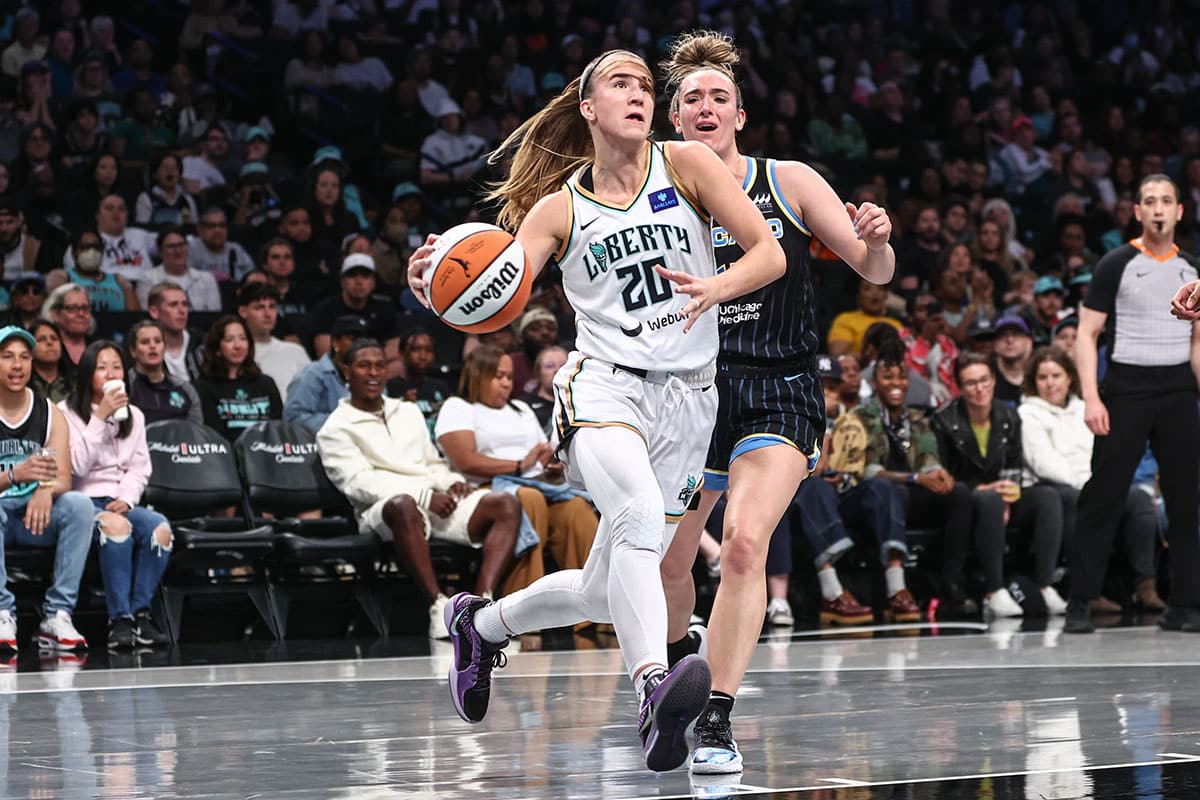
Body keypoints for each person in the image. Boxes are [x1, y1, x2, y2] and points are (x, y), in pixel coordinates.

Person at [407, 47, 784, 771]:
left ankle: (480, 626)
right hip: (605, 387)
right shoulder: (558, 208)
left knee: (609, 590)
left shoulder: (689, 166)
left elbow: (768, 253)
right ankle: (650, 688)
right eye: (621, 83)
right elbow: (493, 289)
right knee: (640, 514)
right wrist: (432, 281)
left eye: (646, 84)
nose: (639, 94)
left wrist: (716, 287)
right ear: (589, 108)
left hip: (690, 398)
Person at [645, 32, 894, 774]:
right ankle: (675, 668)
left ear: (741, 116)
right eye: (692, 98)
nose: (706, 106)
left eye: (720, 96)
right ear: (674, 119)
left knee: (747, 543)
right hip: (688, 393)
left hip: (777, 390)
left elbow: (871, 264)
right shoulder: (649, 197)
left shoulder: (786, 180)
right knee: (668, 560)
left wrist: (877, 238)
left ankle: (717, 719)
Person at [1066, 175, 1200, 634]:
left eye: (1167, 201)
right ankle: (1080, 602)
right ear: (1136, 211)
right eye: (1149, 201)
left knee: (1186, 500)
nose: (1158, 208)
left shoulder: (1193, 270)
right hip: (1125, 387)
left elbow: (1197, 345)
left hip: (1180, 388)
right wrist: (1091, 396)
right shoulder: (1115, 263)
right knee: (1103, 496)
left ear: (1180, 211)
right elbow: (1086, 334)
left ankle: (1185, 604)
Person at [317, 339, 521, 639]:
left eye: (379, 365)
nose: (373, 373)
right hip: (383, 511)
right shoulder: (334, 428)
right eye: (363, 366)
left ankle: (480, 610)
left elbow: (431, 462)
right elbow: (359, 483)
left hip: (434, 500)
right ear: (346, 371)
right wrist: (424, 495)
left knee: (506, 503)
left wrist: (450, 482)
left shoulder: (408, 412)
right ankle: (439, 605)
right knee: (403, 504)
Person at [436, 345, 599, 596]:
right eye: (498, 376)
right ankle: (519, 608)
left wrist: (551, 465)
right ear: (478, 375)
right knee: (529, 499)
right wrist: (518, 466)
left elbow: (540, 455)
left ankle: (594, 608)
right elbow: (466, 461)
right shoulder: (458, 407)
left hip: (538, 483)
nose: (506, 384)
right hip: (487, 489)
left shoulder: (521, 409)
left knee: (577, 510)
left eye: (510, 377)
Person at [1018, 347, 1163, 614]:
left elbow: (1099, 453)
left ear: (1069, 378)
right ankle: (1088, 592)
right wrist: (1088, 485)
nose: (1050, 383)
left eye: (1056, 375)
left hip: (1091, 481)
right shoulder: (1027, 414)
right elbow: (1042, 461)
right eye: (1043, 377)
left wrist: (1102, 483)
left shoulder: (1085, 409)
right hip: (1054, 487)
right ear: (1034, 382)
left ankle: (1146, 585)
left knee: (1137, 498)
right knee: (1079, 500)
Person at [932, 352, 1067, 619]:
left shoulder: (1009, 415)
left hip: (1002, 494)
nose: (979, 388)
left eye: (984, 380)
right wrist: (982, 490)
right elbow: (944, 474)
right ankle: (994, 591)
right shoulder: (944, 421)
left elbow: (1014, 466)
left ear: (994, 380)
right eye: (971, 383)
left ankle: (1044, 585)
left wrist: (1008, 493)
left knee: (1048, 497)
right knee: (988, 500)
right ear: (959, 387)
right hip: (967, 499)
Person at [847, 340, 975, 613]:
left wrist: (937, 472)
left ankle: (952, 582)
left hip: (911, 492)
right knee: (892, 491)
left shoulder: (917, 417)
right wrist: (916, 478)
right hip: (874, 496)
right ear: (875, 381)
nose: (897, 383)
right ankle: (896, 586)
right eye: (888, 377)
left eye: (902, 376)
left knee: (960, 494)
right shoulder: (862, 416)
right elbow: (867, 470)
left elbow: (928, 456)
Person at [60, 340, 172, 650]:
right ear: (87, 374)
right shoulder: (65, 413)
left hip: (120, 499)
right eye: (102, 367)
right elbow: (76, 467)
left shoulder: (134, 415)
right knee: (117, 527)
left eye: (117, 367)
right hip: (82, 502)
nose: (111, 374)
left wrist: (128, 498)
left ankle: (140, 613)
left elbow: (140, 468)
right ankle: (119, 620)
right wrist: (100, 419)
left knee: (160, 529)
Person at [0, 325, 94, 652]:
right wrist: (16, 475)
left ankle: (57, 615)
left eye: (24, 357)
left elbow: (63, 477)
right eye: (7, 356)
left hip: (34, 517)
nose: (17, 365)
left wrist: (44, 488)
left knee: (80, 506)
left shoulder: (50, 413)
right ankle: (1, 612)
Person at [193, 315, 283, 441]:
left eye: (243, 339)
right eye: (229, 340)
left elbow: (278, 430)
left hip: (267, 455)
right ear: (217, 348)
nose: (237, 345)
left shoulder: (266, 383)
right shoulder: (204, 387)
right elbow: (213, 436)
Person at [310, 254, 401, 375]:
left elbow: (393, 349)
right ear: (342, 281)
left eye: (365, 276)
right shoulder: (325, 309)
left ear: (373, 282)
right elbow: (324, 351)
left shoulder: (384, 308)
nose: (359, 281)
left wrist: (367, 362)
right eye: (352, 275)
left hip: (374, 366)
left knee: (397, 366)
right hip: (338, 368)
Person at [284, 314, 364, 432]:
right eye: (353, 339)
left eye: (365, 340)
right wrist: (343, 422)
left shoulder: (372, 376)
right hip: (320, 446)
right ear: (335, 342)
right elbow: (293, 419)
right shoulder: (312, 374)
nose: (361, 345)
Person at [236, 282, 310, 404]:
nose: (267, 314)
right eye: (259, 307)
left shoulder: (295, 351)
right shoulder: (236, 352)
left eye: (272, 306)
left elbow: (313, 393)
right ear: (243, 311)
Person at [125, 319, 203, 425]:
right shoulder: (125, 387)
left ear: (164, 348)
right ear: (133, 351)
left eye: (157, 341)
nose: (152, 346)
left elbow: (196, 432)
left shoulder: (185, 388)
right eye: (145, 342)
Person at [136, 228, 221, 312]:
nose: (178, 251)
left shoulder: (207, 279)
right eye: (171, 246)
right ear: (160, 252)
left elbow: (215, 314)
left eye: (181, 245)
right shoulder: (147, 280)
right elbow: (149, 314)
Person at [384, 327, 450, 420]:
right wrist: (403, 406)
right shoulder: (390, 387)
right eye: (415, 350)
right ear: (401, 353)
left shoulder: (441, 388)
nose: (423, 356)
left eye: (428, 350)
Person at [827, 278, 901, 358]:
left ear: (886, 295)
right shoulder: (845, 320)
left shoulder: (896, 324)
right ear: (858, 295)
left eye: (880, 289)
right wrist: (871, 358)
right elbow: (838, 354)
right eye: (867, 289)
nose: (875, 293)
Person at [146, 282, 205, 381]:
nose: (182, 311)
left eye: (185, 304)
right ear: (154, 312)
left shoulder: (202, 344)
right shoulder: (145, 349)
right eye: (173, 305)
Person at [520, 345, 568, 434]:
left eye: (563, 366)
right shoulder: (524, 406)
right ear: (538, 373)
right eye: (549, 366)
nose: (557, 370)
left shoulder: (580, 404)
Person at [41, 283, 92, 366]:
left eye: (85, 308)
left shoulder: (99, 347)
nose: (81, 314)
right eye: (72, 308)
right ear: (55, 314)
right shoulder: (48, 348)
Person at [28, 320, 72, 404]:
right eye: (41, 339)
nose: (49, 342)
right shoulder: (23, 384)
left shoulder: (75, 385)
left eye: (54, 338)